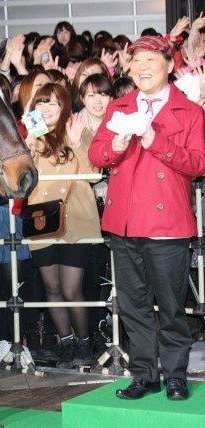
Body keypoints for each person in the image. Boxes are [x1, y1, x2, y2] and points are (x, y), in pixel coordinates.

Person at [89, 35, 205, 400]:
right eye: (136, 60)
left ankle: (175, 375)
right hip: (124, 223)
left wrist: (156, 141)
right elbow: (96, 153)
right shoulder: (119, 107)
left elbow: (198, 163)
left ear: (169, 66)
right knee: (134, 306)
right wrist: (115, 147)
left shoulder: (190, 112)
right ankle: (144, 374)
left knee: (171, 306)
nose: (142, 67)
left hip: (167, 224)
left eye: (151, 60)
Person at [24, 83, 101, 368]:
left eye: (53, 103)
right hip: (41, 222)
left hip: (76, 221)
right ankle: (66, 342)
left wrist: (78, 142)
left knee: (71, 289)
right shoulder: (34, 137)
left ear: (65, 106)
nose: (46, 109)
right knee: (51, 288)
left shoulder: (79, 131)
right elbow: (20, 180)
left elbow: (94, 175)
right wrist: (29, 142)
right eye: (41, 103)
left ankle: (84, 342)